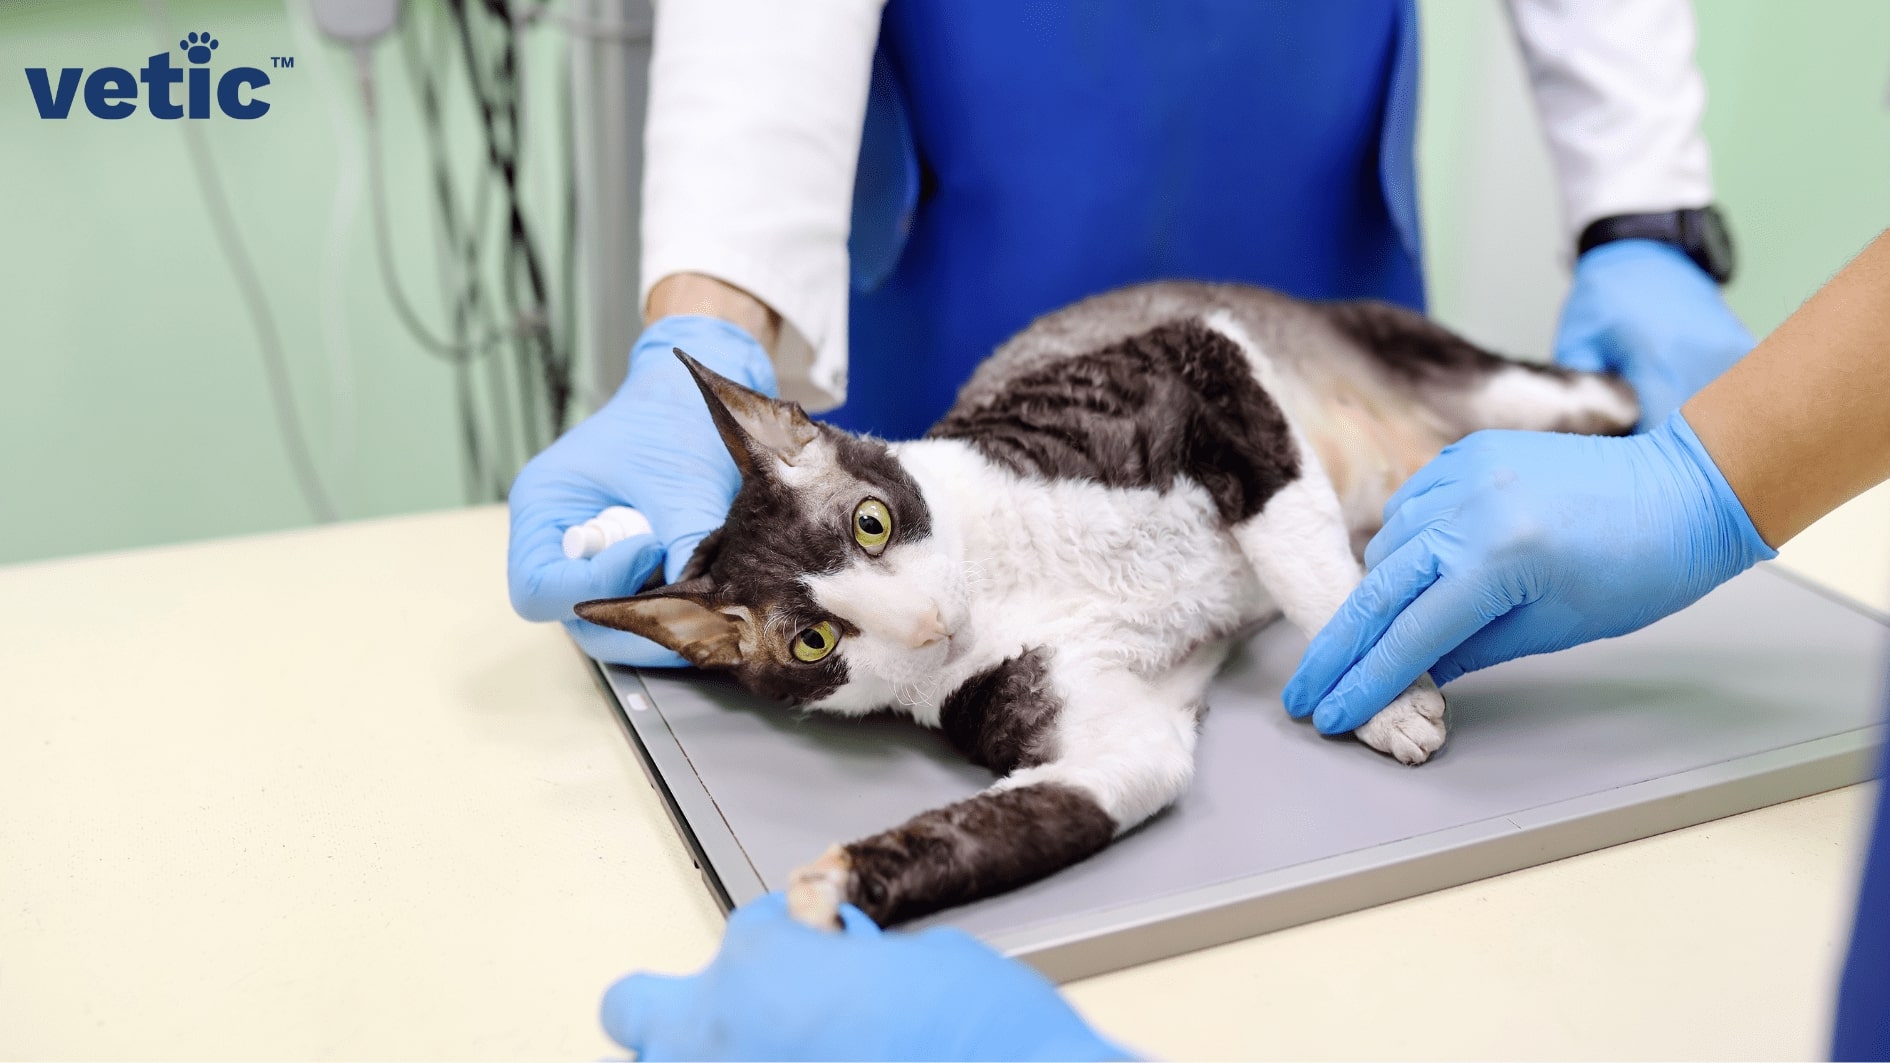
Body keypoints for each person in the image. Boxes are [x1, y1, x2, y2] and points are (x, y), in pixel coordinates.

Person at [600, 230, 1890, 1060]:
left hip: (1305, 374)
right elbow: (1135, 763)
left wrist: (1700, 457)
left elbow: (1207, 365)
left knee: (1554, 401)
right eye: (821, 640)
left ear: (819, 439)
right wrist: (872, 878)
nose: (915, 618)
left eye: (873, 530)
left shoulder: (1001, 471)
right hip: (1375, 500)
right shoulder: (974, 697)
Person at [506, 0, 1750, 667]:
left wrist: (1642, 213)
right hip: (982, 196)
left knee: (1359, 522)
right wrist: (709, 325)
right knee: (955, 639)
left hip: (1306, 175)